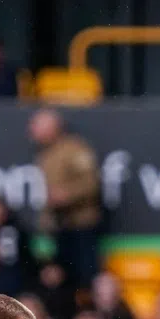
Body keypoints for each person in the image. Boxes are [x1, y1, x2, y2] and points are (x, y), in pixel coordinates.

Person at [31, 109, 102, 289]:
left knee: (84, 281)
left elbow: (92, 183)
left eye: (37, 125)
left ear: (53, 127)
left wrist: (67, 194)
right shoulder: (45, 154)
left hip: (81, 227)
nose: (31, 130)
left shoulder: (75, 149)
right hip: (58, 228)